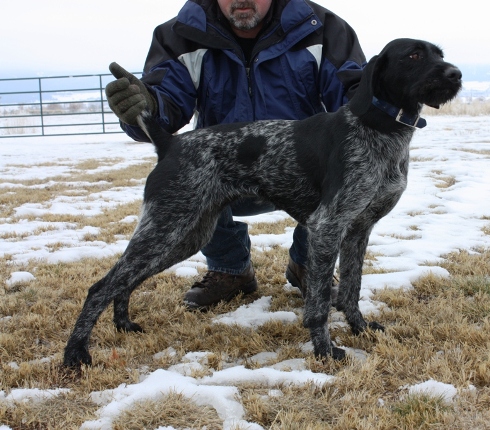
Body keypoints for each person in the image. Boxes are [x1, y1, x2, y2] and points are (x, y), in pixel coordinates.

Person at [106, 0, 365, 309]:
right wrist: (146, 107)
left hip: (302, 176)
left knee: (346, 180)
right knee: (189, 172)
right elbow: (166, 106)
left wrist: (386, 94)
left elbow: (355, 103)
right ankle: (230, 269)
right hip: (223, 172)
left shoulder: (323, 29)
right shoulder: (182, 34)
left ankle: (310, 266)